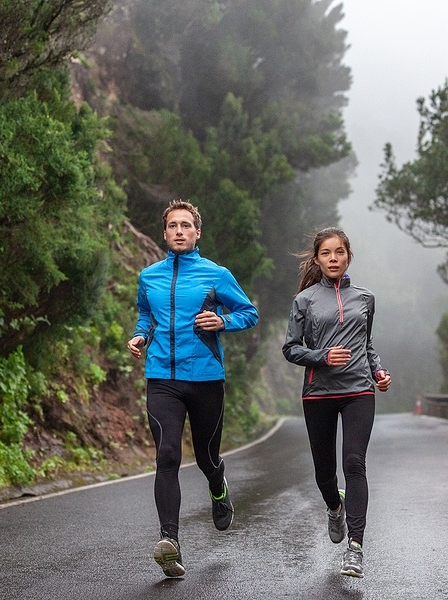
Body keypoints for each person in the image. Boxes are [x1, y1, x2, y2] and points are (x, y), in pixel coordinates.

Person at [127, 199, 258, 578]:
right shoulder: (149, 276)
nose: (179, 231)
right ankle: (171, 542)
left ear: (197, 232)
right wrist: (140, 335)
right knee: (167, 455)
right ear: (165, 233)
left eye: (186, 225)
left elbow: (249, 313)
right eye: (173, 225)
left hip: (205, 379)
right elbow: (146, 314)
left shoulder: (215, 274)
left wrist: (222, 321)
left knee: (206, 456)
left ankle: (218, 486)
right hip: (162, 379)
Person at [282, 227, 391, 579]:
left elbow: (366, 343)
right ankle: (334, 506)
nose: (333, 258)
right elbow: (291, 349)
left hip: (359, 390)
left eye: (339, 252)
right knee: (324, 473)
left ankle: (355, 549)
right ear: (317, 259)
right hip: (319, 394)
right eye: (326, 253)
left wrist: (378, 372)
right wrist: (322, 357)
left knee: (354, 463)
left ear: (348, 256)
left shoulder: (365, 298)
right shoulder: (305, 300)